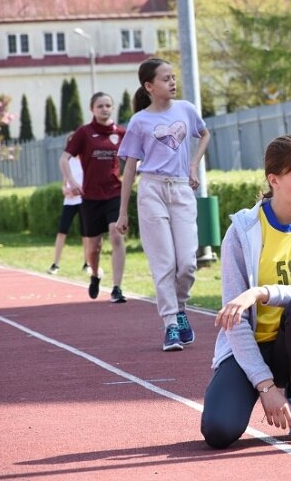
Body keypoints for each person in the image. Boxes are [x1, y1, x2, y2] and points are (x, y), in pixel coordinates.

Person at [201, 134, 291, 448]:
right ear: (273, 179)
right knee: (219, 431)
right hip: (248, 347)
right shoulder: (242, 231)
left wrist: (261, 292)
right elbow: (233, 321)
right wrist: (265, 386)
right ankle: (254, 386)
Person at [116, 57, 211, 351]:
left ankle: (180, 308)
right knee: (165, 264)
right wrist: (122, 212)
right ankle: (171, 324)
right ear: (149, 86)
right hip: (152, 190)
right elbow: (130, 168)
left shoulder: (186, 109)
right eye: (165, 78)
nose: (172, 82)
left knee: (188, 264)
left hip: (181, 190)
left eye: (173, 77)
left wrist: (193, 165)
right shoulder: (139, 121)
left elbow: (204, 134)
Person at [61, 92, 127, 302]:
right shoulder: (84, 133)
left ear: (112, 108)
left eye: (108, 105)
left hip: (115, 193)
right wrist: (71, 181)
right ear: (92, 109)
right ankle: (95, 274)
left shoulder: (121, 133)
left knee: (116, 235)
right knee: (93, 247)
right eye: (100, 106)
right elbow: (64, 159)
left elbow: (139, 156)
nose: (104, 109)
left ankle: (117, 288)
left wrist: (131, 176)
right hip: (90, 196)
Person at [49, 140, 90, 275]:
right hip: (69, 202)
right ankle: (55, 264)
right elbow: (64, 183)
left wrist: (77, 191)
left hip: (83, 201)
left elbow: (89, 182)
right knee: (62, 232)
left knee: (86, 234)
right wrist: (65, 190)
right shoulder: (68, 161)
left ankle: (87, 264)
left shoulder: (86, 161)